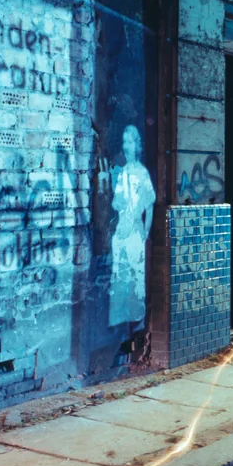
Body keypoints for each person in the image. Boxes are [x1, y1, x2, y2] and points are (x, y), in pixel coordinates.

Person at [108, 125, 156, 328]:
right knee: (119, 278)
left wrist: (144, 233)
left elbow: (149, 206)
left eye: (130, 142)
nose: (126, 146)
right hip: (120, 233)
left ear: (137, 145)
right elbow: (116, 203)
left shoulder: (142, 173)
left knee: (136, 279)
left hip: (135, 233)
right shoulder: (122, 172)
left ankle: (137, 324)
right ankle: (120, 324)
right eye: (124, 142)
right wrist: (112, 180)